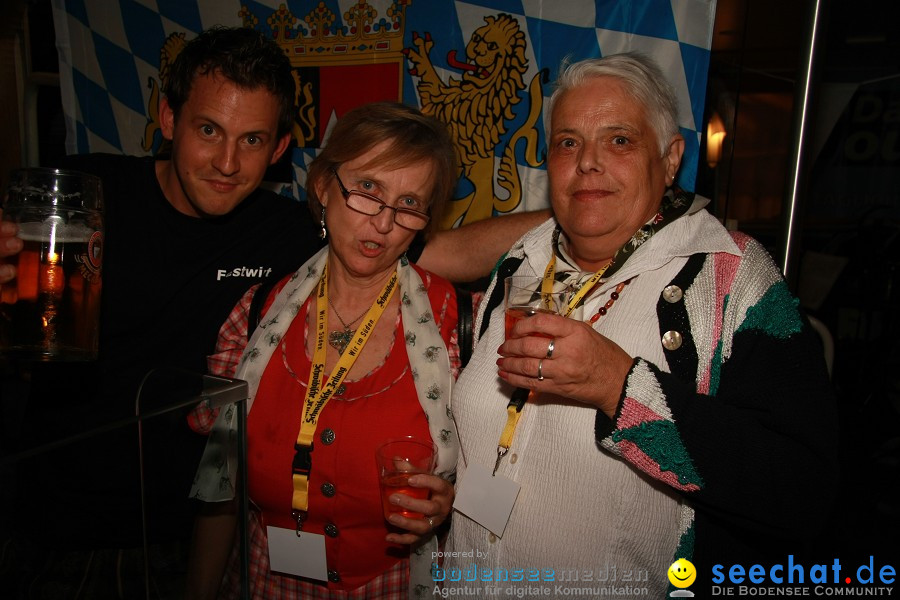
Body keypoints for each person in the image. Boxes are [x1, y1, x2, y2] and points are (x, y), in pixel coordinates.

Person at [0, 26, 546, 597]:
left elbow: (434, 250)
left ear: (280, 149)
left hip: (178, 535)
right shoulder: (89, 198)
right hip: (56, 521)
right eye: (208, 130)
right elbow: (224, 479)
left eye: (253, 139)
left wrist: (583, 226)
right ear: (168, 119)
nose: (227, 162)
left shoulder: (306, 240)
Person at [443, 53, 838, 596]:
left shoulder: (729, 274)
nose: (587, 163)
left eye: (619, 140)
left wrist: (621, 387)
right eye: (568, 142)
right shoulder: (521, 260)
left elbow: (801, 492)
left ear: (670, 158)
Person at [186, 101, 461, 599]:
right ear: (322, 186)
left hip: (394, 584)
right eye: (368, 190)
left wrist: (454, 502)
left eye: (409, 204)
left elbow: (504, 475)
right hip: (265, 579)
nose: (382, 222)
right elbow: (219, 487)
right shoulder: (254, 316)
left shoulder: (452, 322)